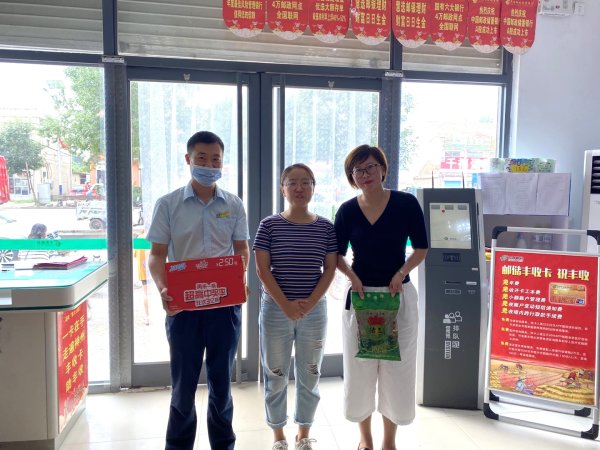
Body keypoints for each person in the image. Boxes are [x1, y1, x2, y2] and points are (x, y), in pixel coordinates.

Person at [147, 131, 250, 450]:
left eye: (216, 159)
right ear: (188, 159)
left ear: (222, 163)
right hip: (184, 308)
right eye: (202, 158)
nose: (209, 165)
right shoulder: (168, 204)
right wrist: (163, 288)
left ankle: (223, 445)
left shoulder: (234, 204)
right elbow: (156, 255)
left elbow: (241, 249)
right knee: (183, 387)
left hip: (224, 308)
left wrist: (238, 276)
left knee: (222, 385)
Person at [334, 145, 429, 450]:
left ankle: (389, 441)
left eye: (371, 167)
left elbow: (421, 248)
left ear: (383, 169)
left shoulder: (406, 203)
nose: (365, 174)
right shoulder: (347, 210)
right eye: (358, 170)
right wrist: (352, 277)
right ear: (352, 176)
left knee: (397, 371)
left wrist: (401, 273)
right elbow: (336, 256)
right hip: (361, 298)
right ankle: (365, 439)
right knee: (359, 370)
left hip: (397, 296)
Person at [253, 163, 338, 450]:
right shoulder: (269, 225)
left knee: (310, 372)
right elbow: (262, 270)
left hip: (314, 311)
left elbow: (329, 269)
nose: (299, 188)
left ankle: (304, 433)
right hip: (276, 310)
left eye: (305, 182)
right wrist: (286, 306)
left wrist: (308, 304)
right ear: (283, 189)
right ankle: (278, 434)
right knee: (275, 373)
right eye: (292, 182)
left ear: (314, 187)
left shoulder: (326, 227)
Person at [134, 230, 150, 325]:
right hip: (155, 271)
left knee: (146, 294)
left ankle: (147, 317)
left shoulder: (139, 238)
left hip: (143, 272)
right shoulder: (154, 235)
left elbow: (134, 255)